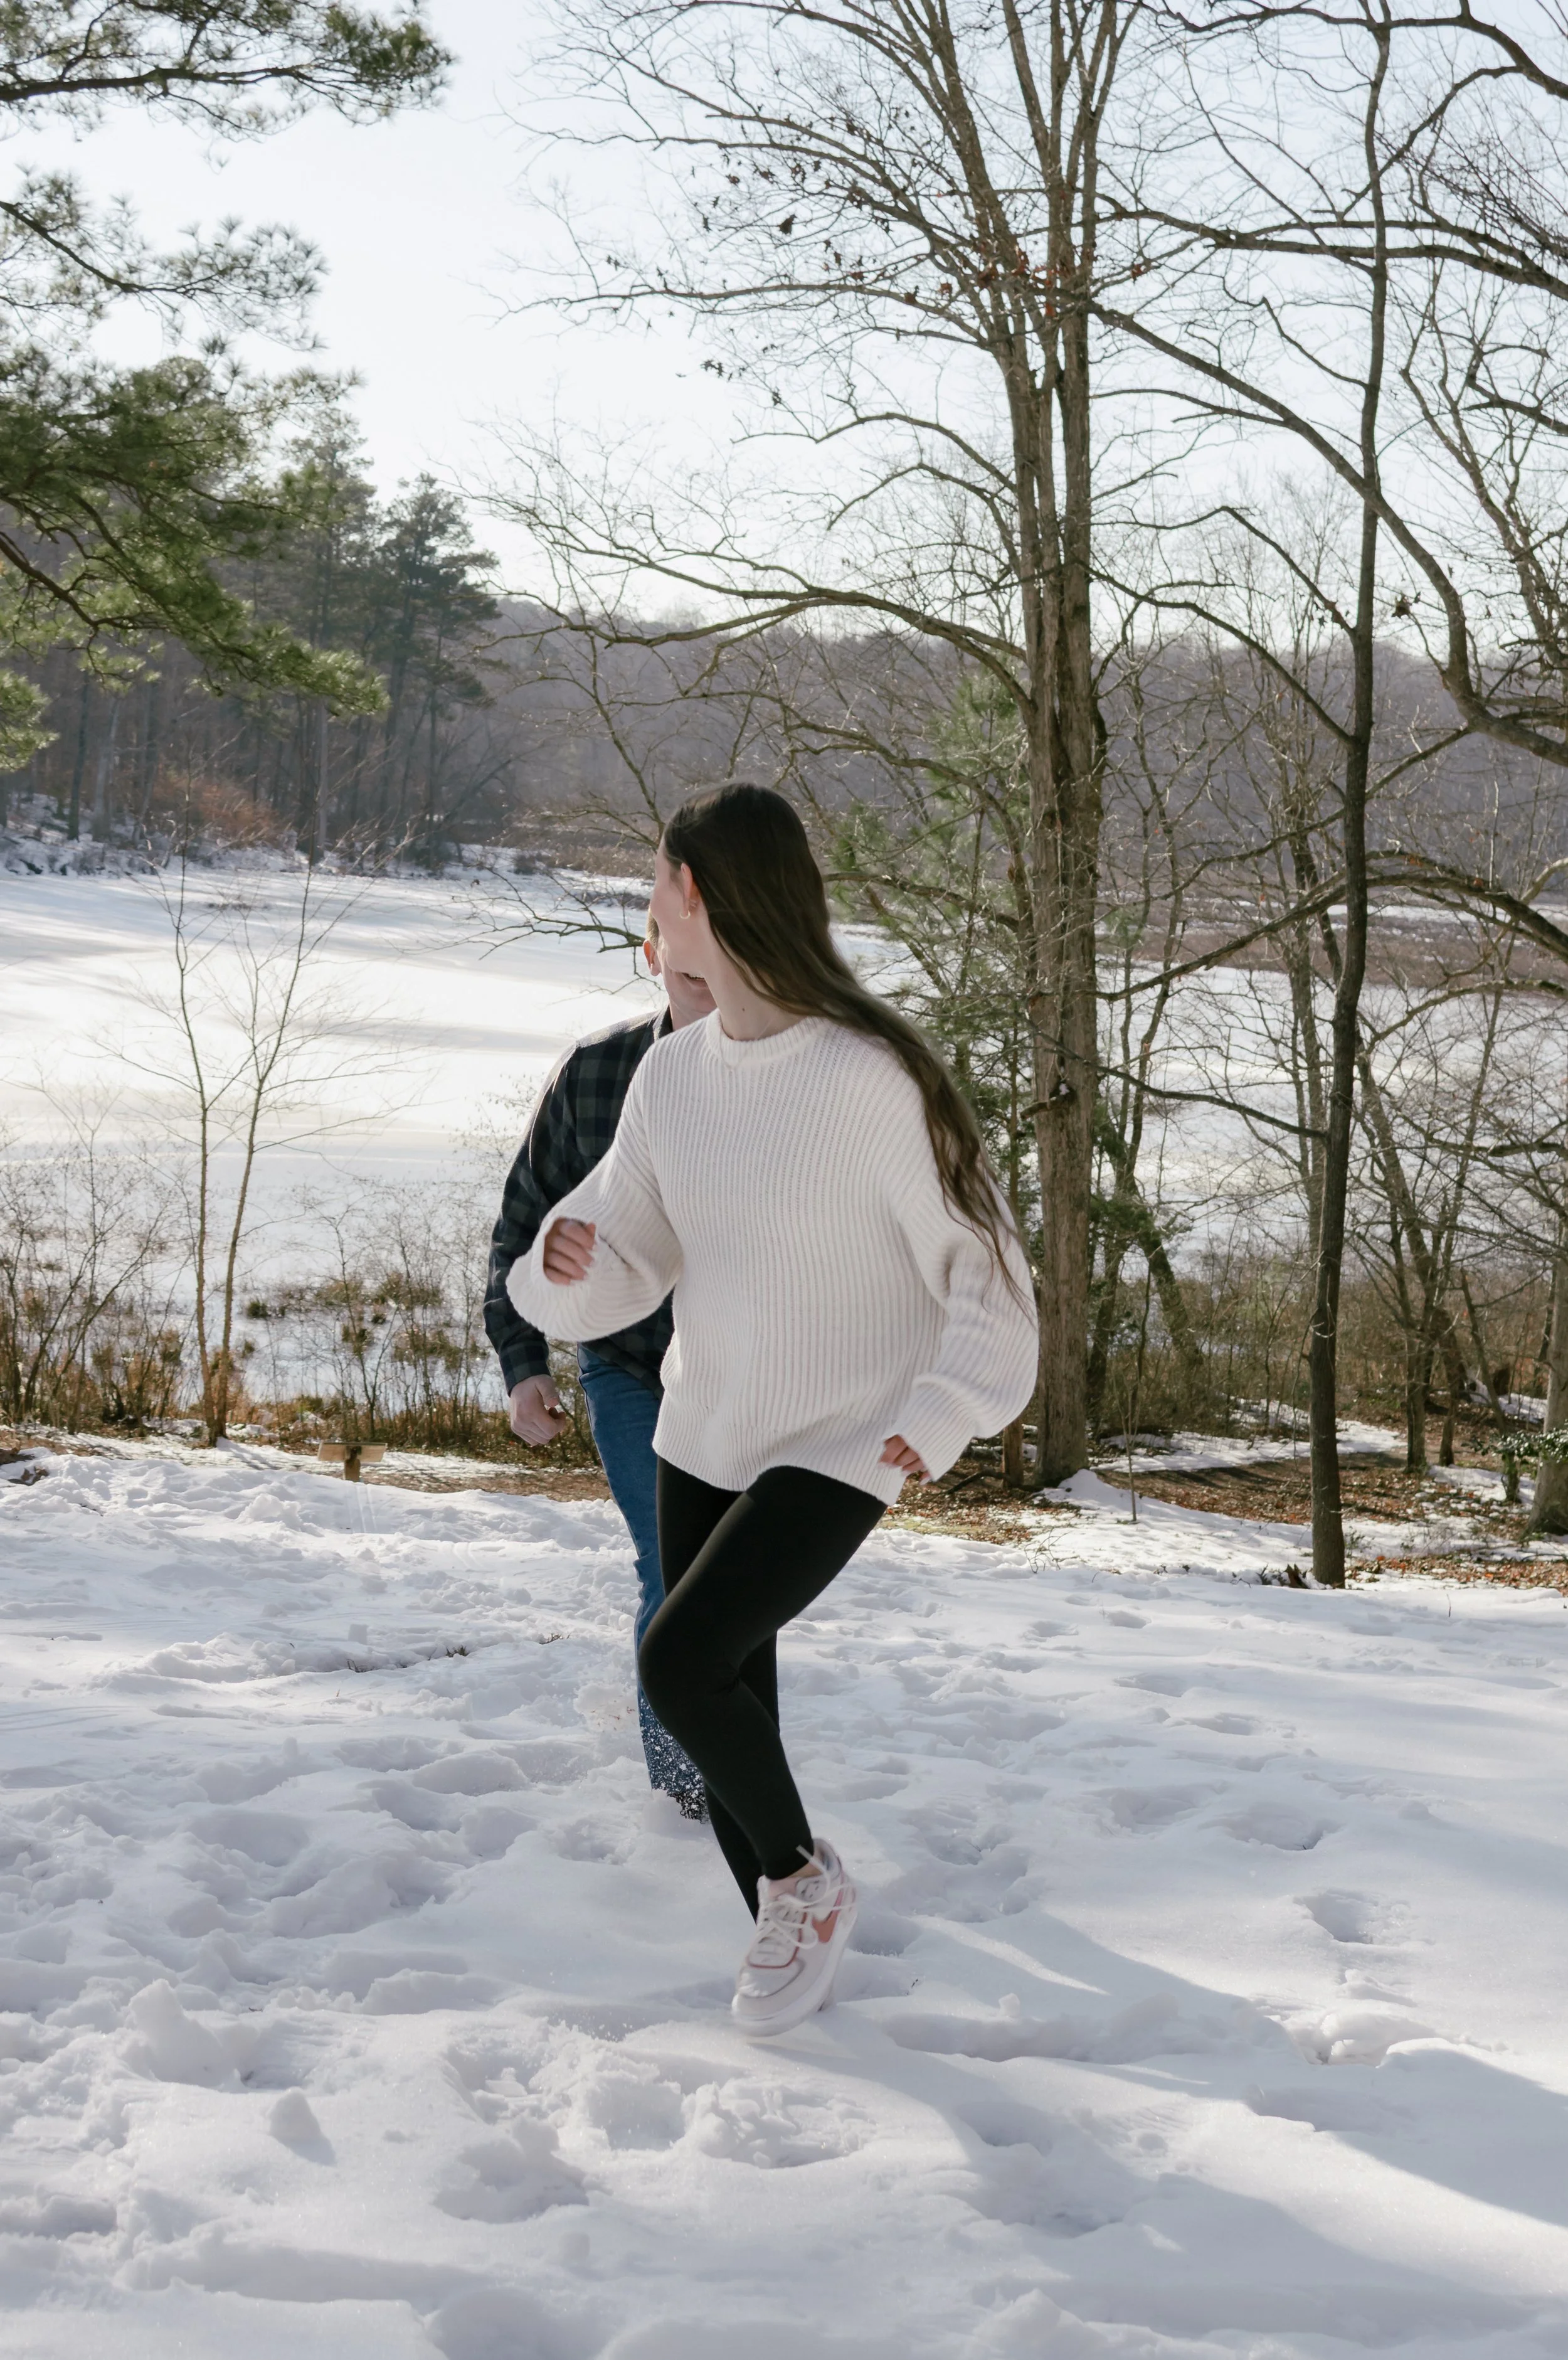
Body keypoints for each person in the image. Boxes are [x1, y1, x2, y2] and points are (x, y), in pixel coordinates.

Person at [507, 784, 1038, 2038]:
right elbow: (620, 1248)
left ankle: (804, 1883)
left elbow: (984, 1269)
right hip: (709, 1421)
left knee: (679, 1662)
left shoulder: (872, 1077)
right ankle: (785, 1926)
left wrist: (949, 1401)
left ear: (694, 893)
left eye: (652, 885)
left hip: (851, 1431)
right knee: (741, 1697)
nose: (646, 910)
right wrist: (563, 1268)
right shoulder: (673, 1077)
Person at [484, 921, 714, 1817]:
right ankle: (688, 1794)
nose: (702, 966)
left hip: (740, 1379)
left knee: (727, 1581)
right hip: (626, 1368)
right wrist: (522, 1363)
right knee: (669, 1567)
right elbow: (520, 1223)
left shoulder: (784, 1080)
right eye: (679, 948)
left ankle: (729, 1749)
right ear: (652, 955)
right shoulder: (593, 1074)